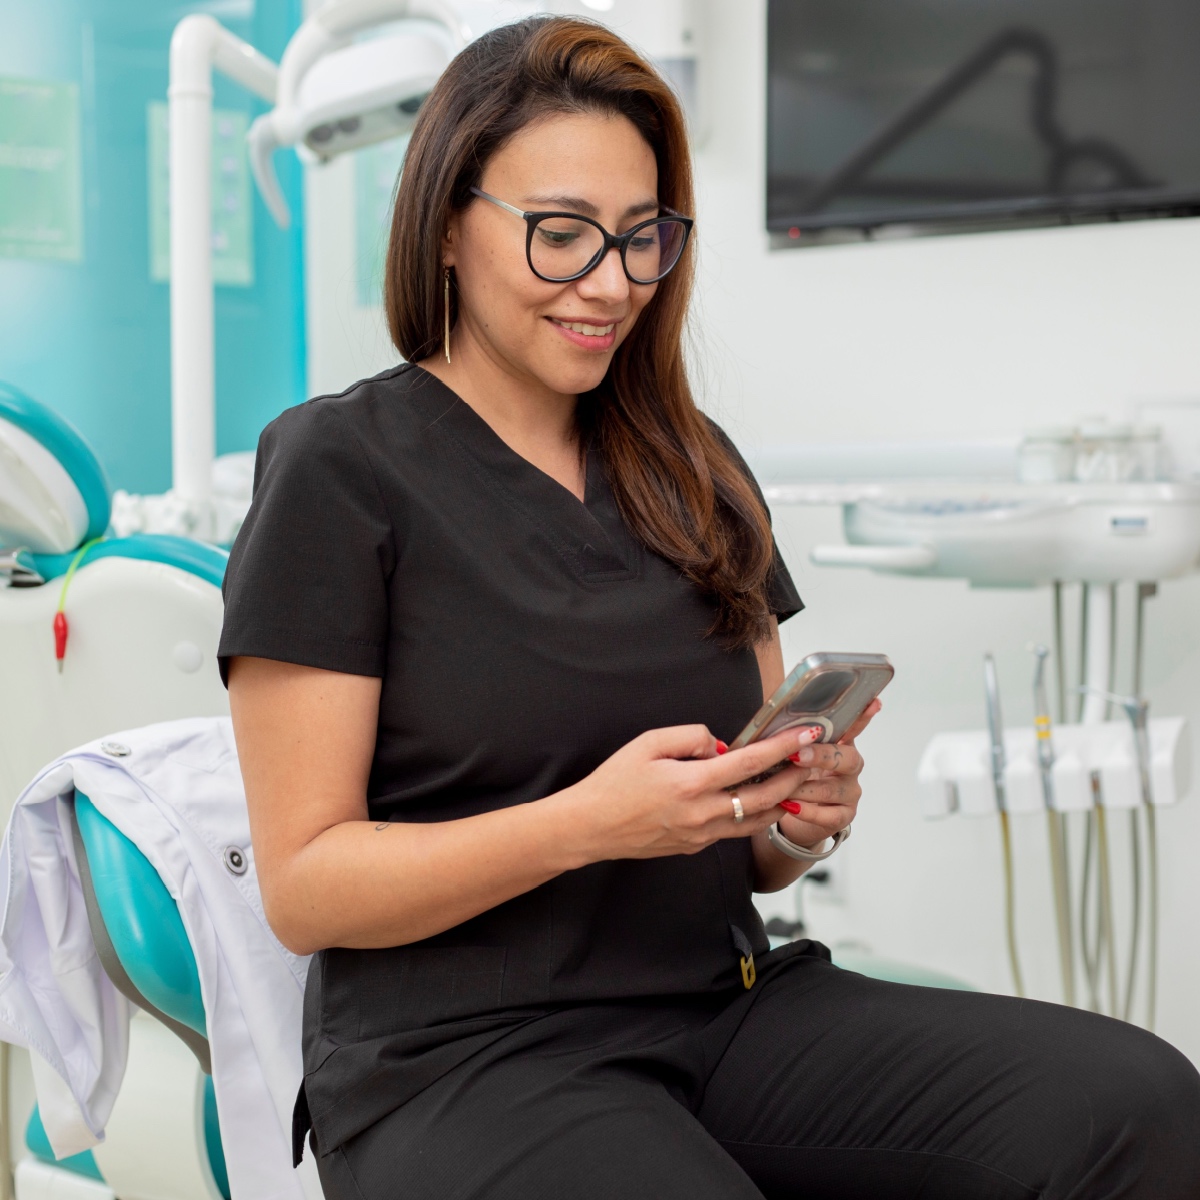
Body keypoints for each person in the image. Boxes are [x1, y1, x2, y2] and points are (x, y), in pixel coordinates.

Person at [218, 16, 1200, 1200]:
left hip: (725, 1011)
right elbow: (305, 884)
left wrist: (791, 817)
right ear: (443, 228)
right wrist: (588, 823)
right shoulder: (341, 465)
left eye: (645, 240)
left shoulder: (691, 466)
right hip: (462, 1061)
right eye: (562, 236)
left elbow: (752, 857)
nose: (613, 283)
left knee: (1133, 1103)